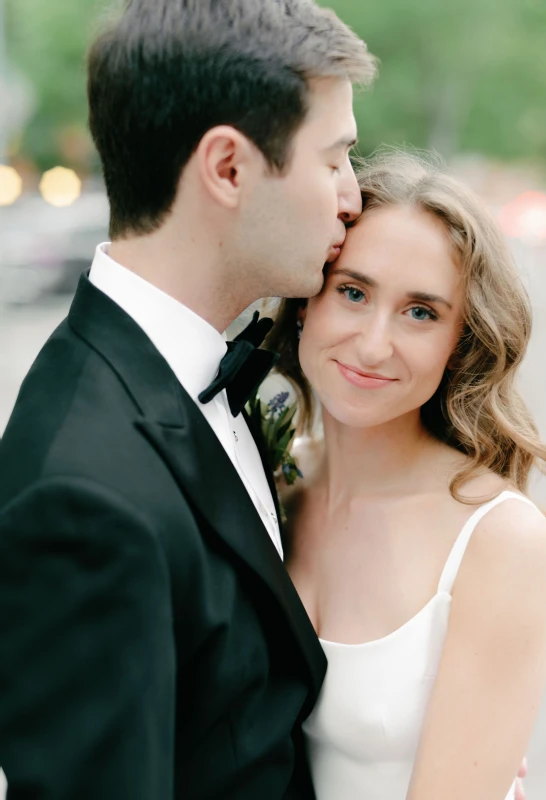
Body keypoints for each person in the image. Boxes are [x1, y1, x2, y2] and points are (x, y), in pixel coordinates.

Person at [0, 1, 375, 798]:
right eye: (335, 157)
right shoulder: (85, 497)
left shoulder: (184, 379)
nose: (352, 197)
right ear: (228, 168)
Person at [268, 151, 546, 800]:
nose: (374, 343)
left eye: (420, 312)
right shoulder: (270, 479)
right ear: (304, 301)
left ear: (460, 343)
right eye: (352, 292)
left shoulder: (492, 536)